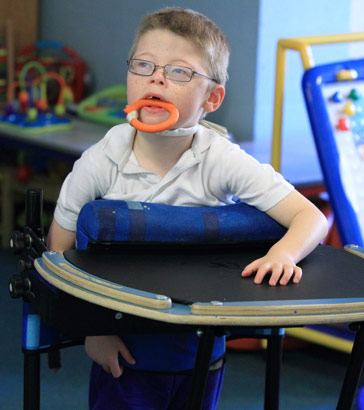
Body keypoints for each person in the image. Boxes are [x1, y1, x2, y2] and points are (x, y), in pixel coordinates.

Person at [47, 7, 328, 410]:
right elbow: (59, 250)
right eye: (144, 65)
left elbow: (310, 217)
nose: (156, 77)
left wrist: (283, 254)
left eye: (179, 72)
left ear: (211, 97)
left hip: (200, 347)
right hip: (123, 345)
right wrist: (93, 331)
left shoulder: (221, 158)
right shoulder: (101, 160)